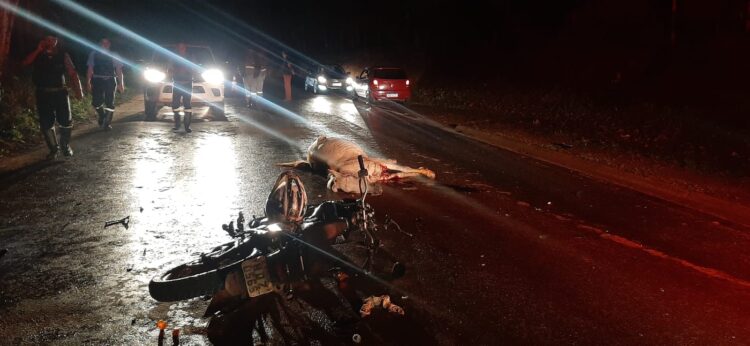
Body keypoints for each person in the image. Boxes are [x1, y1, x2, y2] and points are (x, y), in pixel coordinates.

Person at [22, 35, 82, 158]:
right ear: (43, 40)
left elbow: (72, 73)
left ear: (57, 41)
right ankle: (54, 149)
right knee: (46, 122)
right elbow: (25, 63)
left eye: (53, 39)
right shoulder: (37, 54)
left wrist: (79, 90)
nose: (51, 41)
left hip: (60, 93)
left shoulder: (63, 55)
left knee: (66, 120)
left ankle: (65, 146)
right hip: (43, 93)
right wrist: (38, 50)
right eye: (48, 39)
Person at [86, 37, 125, 130]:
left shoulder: (114, 55)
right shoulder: (94, 54)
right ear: (100, 44)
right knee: (96, 102)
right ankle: (102, 115)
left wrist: (121, 83)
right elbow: (90, 69)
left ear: (109, 44)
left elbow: (119, 70)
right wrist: (88, 82)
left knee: (109, 102)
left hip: (110, 81)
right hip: (97, 80)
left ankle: (107, 123)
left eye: (107, 43)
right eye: (103, 43)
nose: (105, 44)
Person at [168, 43, 193, 133]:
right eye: (179, 47)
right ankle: (177, 125)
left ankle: (187, 126)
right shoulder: (174, 58)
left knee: (187, 106)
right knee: (175, 106)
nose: (181, 48)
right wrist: (175, 70)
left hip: (187, 84)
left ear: (185, 48)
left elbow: (194, 69)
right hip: (177, 84)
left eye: (182, 47)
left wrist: (186, 69)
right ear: (177, 48)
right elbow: (170, 69)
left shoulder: (190, 57)